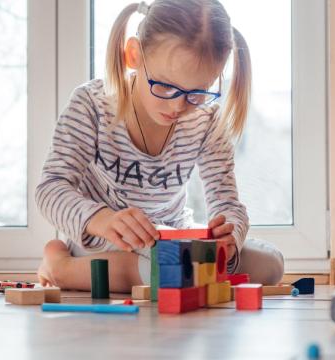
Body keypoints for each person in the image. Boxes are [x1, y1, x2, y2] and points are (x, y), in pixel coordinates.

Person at [35, 0, 284, 292]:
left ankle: (171, 274)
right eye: (165, 86)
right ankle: (61, 268)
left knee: (271, 264)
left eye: (197, 93)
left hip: (174, 245)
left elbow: (227, 202)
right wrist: (102, 219)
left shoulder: (206, 120)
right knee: (156, 268)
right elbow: (50, 189)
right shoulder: (92, 104)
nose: (178, 106)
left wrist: (230, 236)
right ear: (134, 56)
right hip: (105, 247)